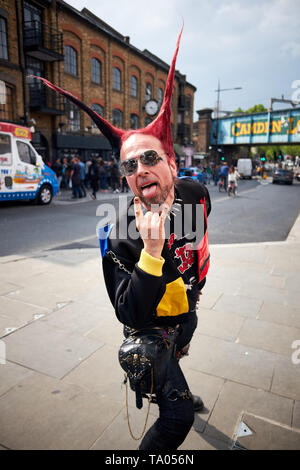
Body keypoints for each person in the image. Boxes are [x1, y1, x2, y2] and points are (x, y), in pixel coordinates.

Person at [35, 27, 211, 450]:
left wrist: (196, 288)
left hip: (186, 316)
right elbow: (126, 309)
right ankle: (176, 400)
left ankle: (179, 381)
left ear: (171, 160)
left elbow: (200, 246)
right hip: (151, 332)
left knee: (182, 349)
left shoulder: (196, 195)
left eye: (149, 158)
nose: (139, 170)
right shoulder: (123, 234)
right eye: (129, 166)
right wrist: (151, 253)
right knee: (178, 417)